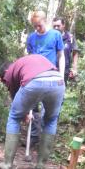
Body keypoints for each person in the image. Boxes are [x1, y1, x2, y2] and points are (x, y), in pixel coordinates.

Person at [0, 54, 65, 169]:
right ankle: (41, 165)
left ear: (5, 72)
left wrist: (21, 114)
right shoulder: (27, 62)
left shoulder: (10, 71)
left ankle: (7, 164)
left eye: (3, 80)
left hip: (35, 81)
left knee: (13, 117)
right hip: (58, 82)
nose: (5, 82)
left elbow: (15, 96)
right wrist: (25, 112)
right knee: (51, 120)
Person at [26, 11, 65, 143]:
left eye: (39, 25)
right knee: (33, 108)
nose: (37, 28)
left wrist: (61, 76)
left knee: (48, 111)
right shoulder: (31, 38)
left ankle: (45, 141)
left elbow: (61, 56)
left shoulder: (55, 35)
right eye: (35, 26)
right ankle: (34, 136)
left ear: (45, 21)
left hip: (51, 77)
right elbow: (30, 58)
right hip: (35, 77)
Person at [52, 17, 79, 84]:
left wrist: (74, 68)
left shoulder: (70, 37)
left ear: (63, 25)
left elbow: (75, 52)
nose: (56, 28)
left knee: (60, 91)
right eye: (54, 26)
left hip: (64, 70)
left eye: (58, 26)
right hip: (51, 70)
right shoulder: (49, 37)